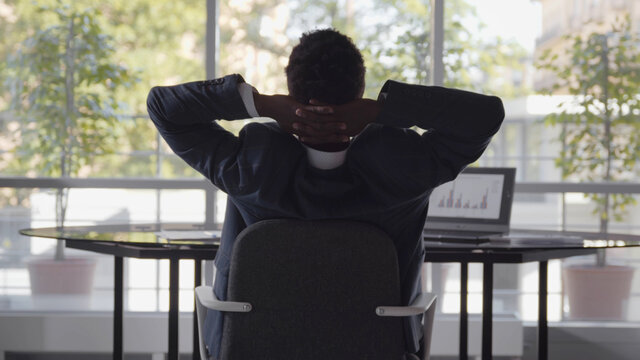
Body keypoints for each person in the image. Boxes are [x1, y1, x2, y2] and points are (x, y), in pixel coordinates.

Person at [147, 28, 504, 359]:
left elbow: (163, 107)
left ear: (290, 88)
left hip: (248, 346)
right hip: (380, 347)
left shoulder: (250, 165)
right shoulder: (404, 167)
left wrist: (264, 104)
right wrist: (382, 109)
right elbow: (485, 116)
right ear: (360, 89)